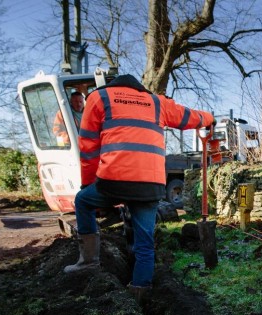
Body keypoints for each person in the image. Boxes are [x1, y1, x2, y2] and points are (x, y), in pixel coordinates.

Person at [64, 74, 214, 299]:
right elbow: (188, 117)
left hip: (113, 181)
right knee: (145, 240)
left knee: (83, 200)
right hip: (149, 185)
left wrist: (88, 183)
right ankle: (140, 291)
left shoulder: (99, 97)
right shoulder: (156, 102)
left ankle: (88, 262)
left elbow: (88, 148)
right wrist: (209, 118)